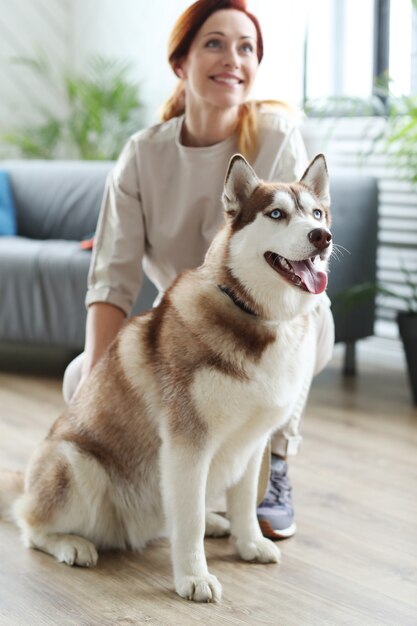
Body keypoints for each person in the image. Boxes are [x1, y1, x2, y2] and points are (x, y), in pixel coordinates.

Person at [63, 0, 334, 540]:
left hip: (268, 318)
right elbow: (113, 277)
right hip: (186, 322)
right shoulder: (142, 155)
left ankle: (276, 461)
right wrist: (95, 384)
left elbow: (301, 244)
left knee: (317, 319)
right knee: (79, 379)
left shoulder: (276, 137)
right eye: (214, 43)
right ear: (180, 62)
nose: (232, 57)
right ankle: (157, 490)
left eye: (246, 47)